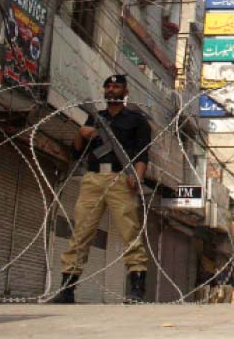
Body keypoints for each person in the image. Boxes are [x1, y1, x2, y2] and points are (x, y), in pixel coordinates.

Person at [52, 74, 151, 303]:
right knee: (81, 232)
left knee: (129, 232)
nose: (112, 90)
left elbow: (143, 154)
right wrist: (81, 133)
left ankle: (136, 289)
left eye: (117, 87)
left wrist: (136, 177)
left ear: (125, 93)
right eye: (108, 86)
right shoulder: (95, 117)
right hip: (94, 178)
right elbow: (77, 151)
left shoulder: (136, 120)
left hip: (120, 178)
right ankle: (67, 289)